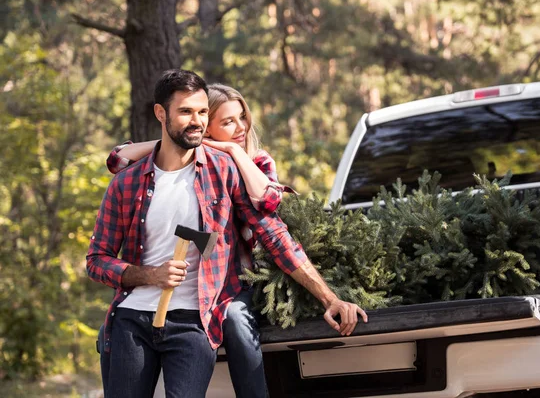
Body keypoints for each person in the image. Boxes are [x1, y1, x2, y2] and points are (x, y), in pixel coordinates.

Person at [88, 69, 368, 398]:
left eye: (203, 112)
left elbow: (276, 236)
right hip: (131, 321)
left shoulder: (224, 170)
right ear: (161, 113)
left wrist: (330, 298)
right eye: (186, 112)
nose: (197, 121)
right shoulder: (128, 183)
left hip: (196, 321)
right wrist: (149, 275)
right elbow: (97, 261)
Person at [102, 84, 299, 397]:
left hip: (242, 278)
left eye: (242, 118)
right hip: (200, 285)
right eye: (227, 122)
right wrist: (175, 141)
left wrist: (233, 151)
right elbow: (117, 161)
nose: (240, 127)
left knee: (235, 318)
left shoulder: (254, 160)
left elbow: (270, 202)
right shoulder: (197, 163)